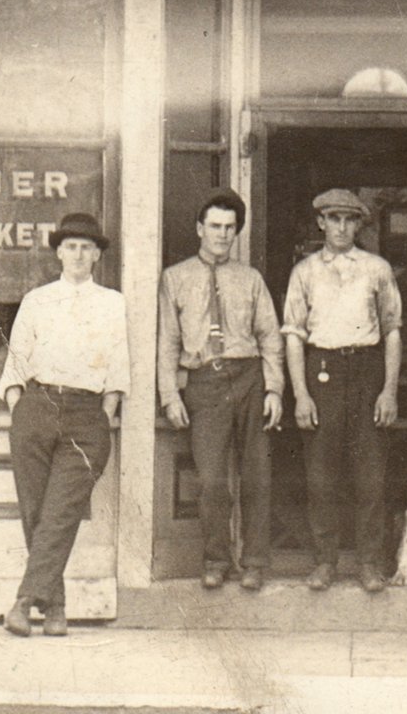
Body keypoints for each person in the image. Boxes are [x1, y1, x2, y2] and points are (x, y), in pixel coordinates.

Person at [0, 211, 130, 637]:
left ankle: (23, 603)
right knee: (37, 512)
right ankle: (54, 608)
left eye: (86, 247)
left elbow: (118, 367)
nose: (78, 254)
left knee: (59, 512)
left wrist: (105, 415)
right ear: (58, 251)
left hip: (86, 416)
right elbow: (15, 361)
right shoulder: (37, 300)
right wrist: (20, 407)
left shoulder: (112, 303)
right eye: (70, 246)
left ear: (96, 256)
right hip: (37, 407)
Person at [158, 187, 284, 592]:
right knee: (212, 480)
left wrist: (275, 390)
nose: (223, 235)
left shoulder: (250, 279)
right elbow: (167, 342)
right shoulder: (175, 278)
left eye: (230, 228)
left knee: (256, 476)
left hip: (249, 376)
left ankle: (255, 562)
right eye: (215, 226)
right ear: (200, 229)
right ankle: (216, 559)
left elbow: (270, 336)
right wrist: (169, 395)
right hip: (204, 382)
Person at [282, 186, 403, 594]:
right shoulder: (305, 271)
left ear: (359, 224)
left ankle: (369, 562)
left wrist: (388, 390)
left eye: (350, 219)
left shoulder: (377, 269)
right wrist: (300, 394)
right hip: (322, 371)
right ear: (321, 222)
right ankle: (325, 561)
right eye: (334, 218)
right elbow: (294, 336)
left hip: (367, 369)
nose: (341, 227)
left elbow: (392, 331)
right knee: (321, 475)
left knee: (370, 475)